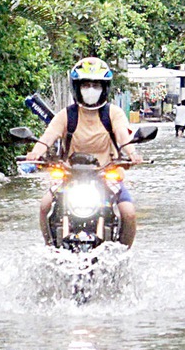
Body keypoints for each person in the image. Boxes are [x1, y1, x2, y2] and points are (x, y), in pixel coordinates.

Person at [25, 57, 142, 247]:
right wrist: (35, 153)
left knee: (128, 212)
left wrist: (132, 153)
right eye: (86, 85)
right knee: (44, 206)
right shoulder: (67, 115)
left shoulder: (113, 113)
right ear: (77, 87)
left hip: (106, 176)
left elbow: (123, 136)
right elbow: (48, 137)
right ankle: (50, 247)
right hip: (69, 176)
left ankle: (121, 254)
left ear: (104, 88)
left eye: (96, 85)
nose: (91, 90)